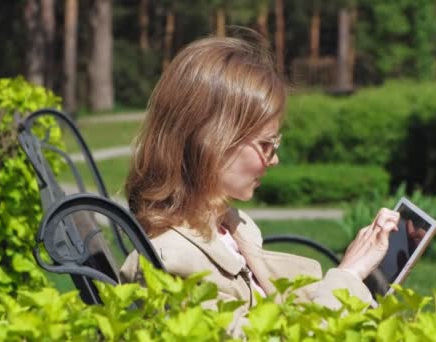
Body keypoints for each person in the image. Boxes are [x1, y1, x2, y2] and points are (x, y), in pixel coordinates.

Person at [120, 28, 400, 335]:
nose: (274, 160)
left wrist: (354, 271)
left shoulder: (228, 228)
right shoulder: (172, 263)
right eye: (266, 146)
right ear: (211, 143)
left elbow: (278, 312)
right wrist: (348, 275)